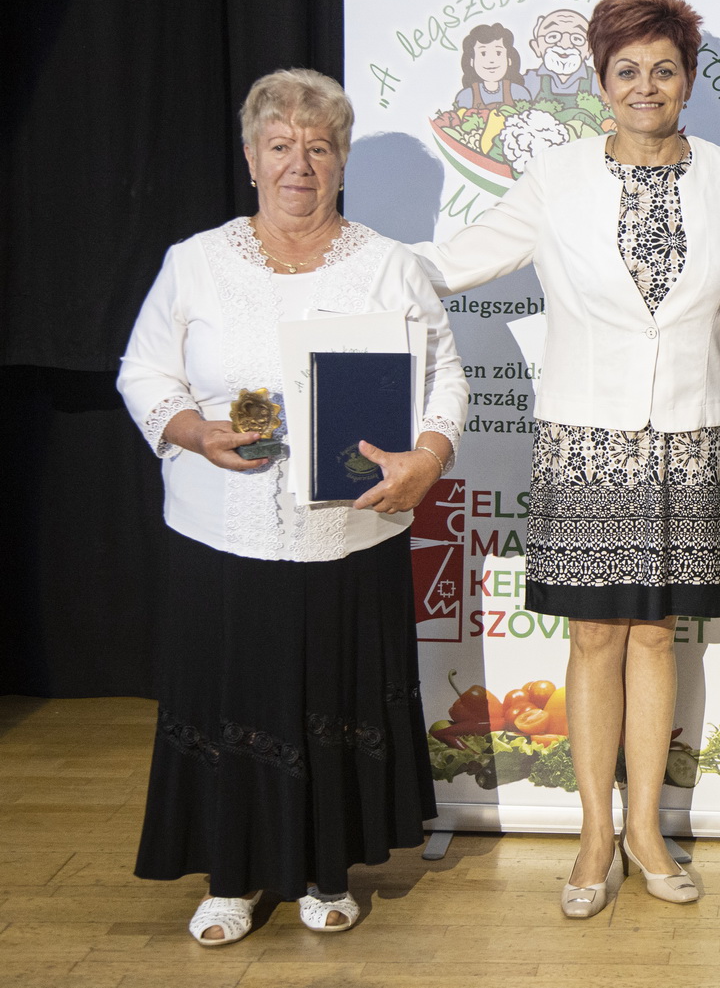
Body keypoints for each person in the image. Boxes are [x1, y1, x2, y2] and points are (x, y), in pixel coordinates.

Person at [410, 0, 720, 918]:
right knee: (593, 636)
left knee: (657, 634)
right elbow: (455, 260)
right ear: (601, 82)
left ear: (689, 80)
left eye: (664, 69)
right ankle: (592, 837)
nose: (646, 85)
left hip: (693, 438)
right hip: (584, 439)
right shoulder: (557, 179)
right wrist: (343, 265)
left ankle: (647, 830)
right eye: (628, 70)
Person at [117, 68, 468, 946]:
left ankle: (326, 869)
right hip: (219, 533)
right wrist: (192, 429)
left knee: (332, 697)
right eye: (280, 145)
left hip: (349, 533)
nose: (299, 164)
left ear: (342, 160)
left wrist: (427, 458)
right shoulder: (194, 262)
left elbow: (446, 381)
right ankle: (228, 878)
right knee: (230, 698)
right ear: (251, 158)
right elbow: (143, 371)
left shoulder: (389, 265)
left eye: (318, 146)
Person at [454, 22, 533, 110]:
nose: (491, 60)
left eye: (498, 53)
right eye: (483, 53)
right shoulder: (465, 97)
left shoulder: (519, 93)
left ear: (509, 60)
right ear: (471, 62)